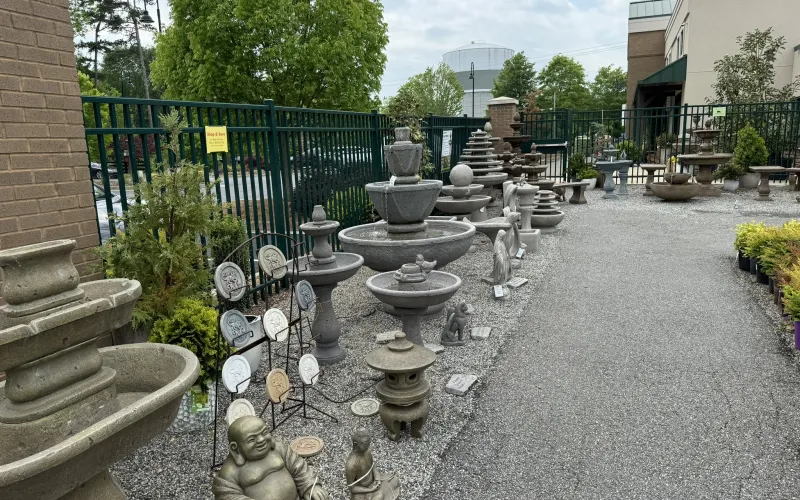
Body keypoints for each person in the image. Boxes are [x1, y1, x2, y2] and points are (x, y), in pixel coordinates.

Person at [213, 416, 329, 500]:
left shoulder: (279, 449)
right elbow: (226, 494)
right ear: (235, 448)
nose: (261, 440)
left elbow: (299, 467)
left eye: (264, 433)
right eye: (252, 439)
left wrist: (309, 486)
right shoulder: (230, 471)